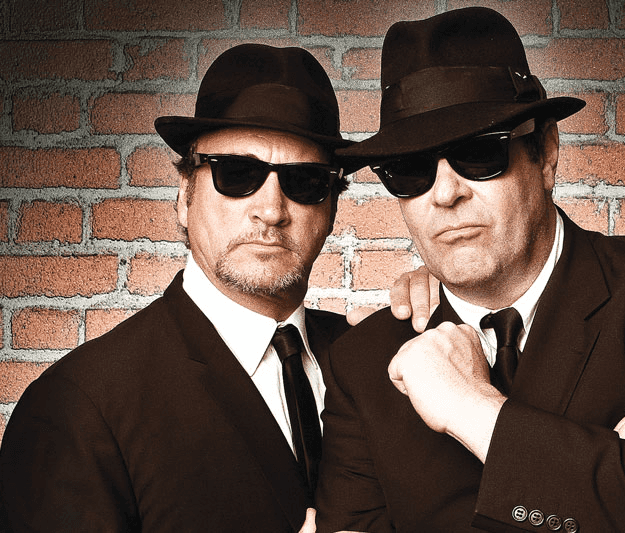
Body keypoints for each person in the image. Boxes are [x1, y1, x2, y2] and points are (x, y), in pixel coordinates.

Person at [315, 8, 625, 532]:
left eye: (479, 154)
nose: (445, 193)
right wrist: (609, 486)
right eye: (410, 170)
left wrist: (473, 409)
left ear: (545, 153)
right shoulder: (364, 364)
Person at [0, 43, 433, 532]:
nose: (271, 210)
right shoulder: (77, 407)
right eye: (238, 174)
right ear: (184, 197)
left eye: (305, 182)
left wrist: (458, 309)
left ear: (331, 210)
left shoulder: (382, 359)